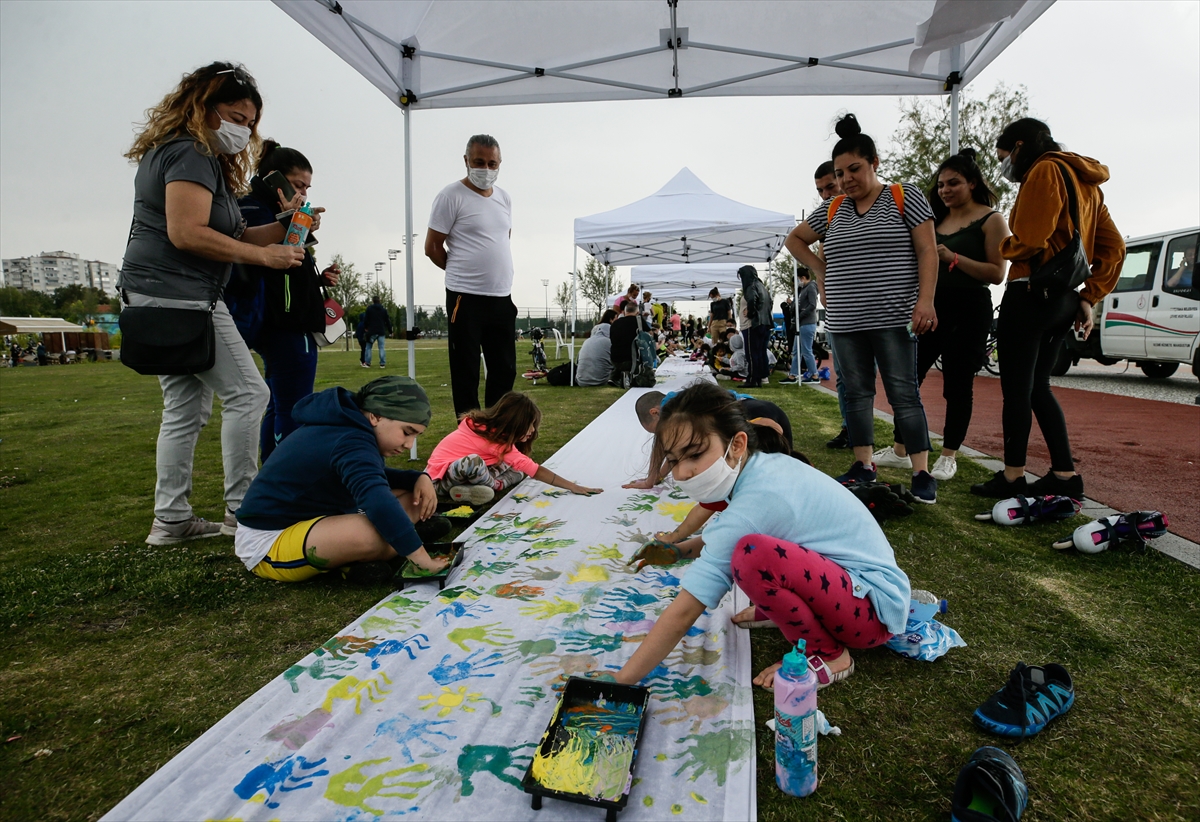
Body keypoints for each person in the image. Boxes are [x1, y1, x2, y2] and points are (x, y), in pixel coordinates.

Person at [607, 383, 910, 690]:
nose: (683, 472)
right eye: (673, 460)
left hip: (869, 614)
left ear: (737, 444)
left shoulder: (759, 497)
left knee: (753, 556)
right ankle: (786, 610)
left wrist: (621, 679)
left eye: (694, 454)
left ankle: (829, 655)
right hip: (858, 592)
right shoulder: (759, 469)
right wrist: (680, 551)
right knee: (751, 551)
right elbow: (725, 537)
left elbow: (686, 608)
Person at [118, 62, 305, 546]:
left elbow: (234, 231)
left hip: (161, 292)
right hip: (181, 294)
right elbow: (186, 233)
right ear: (203, 106)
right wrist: (263, 255)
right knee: (250, 394)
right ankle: (245, 511)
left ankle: (172, 520)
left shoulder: (193, 157)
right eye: (235, 115)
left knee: (184, 407)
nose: (242, 128)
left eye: (249, 121)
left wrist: (287, 227)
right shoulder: (190, 153)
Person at [785, 114, 940, 504]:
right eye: (839, 173)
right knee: (854, 393)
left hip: (893, 317)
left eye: (854, 169)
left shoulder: (905, 197)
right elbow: (795, 240)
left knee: (904, 393)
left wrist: (926, 300)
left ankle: (922, 471)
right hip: (844, 320)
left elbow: (927, 250)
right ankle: (863, 464)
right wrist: (820, 269)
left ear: (875, 162)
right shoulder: (833, 208)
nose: (845, 179)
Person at [971, 118, 1124, 499]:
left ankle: (1012, 476)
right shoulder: (1086, 184)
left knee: (1017, 391)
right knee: (1039, 387)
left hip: (1029, 294)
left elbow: (1031, 239)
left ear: (1021, 146)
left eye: (1004, 156)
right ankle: (1064, 473)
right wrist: (1090, 295)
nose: (1004, 166)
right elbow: (1115, 248)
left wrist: (1004, 248)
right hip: (1065, 298)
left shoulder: (1042, 172)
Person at [233, 376, 450, 582]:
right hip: (268, 541)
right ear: (376, 416)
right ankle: (389, 545)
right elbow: (377, 500)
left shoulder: (350, 427)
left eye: (415, 436)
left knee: (414, 497)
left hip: (315, 521)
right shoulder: (352, 440)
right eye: (406, 432)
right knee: (369, 535)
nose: (409, 445)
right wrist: (422, 560)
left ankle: (365, 558)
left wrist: (417, 478)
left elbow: (376, 478)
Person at [875, 150, 1009, 482]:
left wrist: (954, 257)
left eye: (954, 183)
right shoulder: (934, 218)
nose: (946, 190)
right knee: (910, 378)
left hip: (970, 309)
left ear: (972, 183)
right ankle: (900, 450)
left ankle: (949, 455)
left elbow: (997, 273)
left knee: (958, 384)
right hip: (932, 306)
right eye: (941, 184)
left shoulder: (992, 219)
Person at [227, 141, 341, 462]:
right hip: (284, 322)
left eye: (307, 187)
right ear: (272, 179)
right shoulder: (252, 209)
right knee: (294, 407)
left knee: (278, 404)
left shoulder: (277, 212)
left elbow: (287, 268)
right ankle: (287, 479)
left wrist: (318, 278)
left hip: (287, 317)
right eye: (296, 185)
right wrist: (289, 222)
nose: (303, 194)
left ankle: (272, 474)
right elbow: (257, 261)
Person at [425, 134, 517, 416]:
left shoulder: (504, 198)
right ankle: (468, 438)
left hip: (501, 297)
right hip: (465, 298)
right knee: (466, 371)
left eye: (492, 163)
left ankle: (497, 432)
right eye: (479, 162)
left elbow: (503, 239)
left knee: (504, 370)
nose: (486, 170)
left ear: (500, 164)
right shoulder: (450, 196)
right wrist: (461, 271)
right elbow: (432, 247)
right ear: (466, 161)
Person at [424, 392, 602, 505]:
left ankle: (469, 491)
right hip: (438, 480)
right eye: (530, 425)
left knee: (517, 469)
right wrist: (573, 487)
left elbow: (526, 466)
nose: (532, 431)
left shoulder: (495, 435)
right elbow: (536, 470)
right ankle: (495, 485)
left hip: (467, 477)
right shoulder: (490, 440)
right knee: (473, 462)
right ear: (515, 424)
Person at [546, 308, 616, 386]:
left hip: (581, 381)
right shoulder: (609, 342)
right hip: (601, 380)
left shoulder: (587, 341)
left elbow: (577, 362)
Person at [608, 299, 641, 375]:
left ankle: (617, 374)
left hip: (615, 358)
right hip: (631, 358)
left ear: (624, 311)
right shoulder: (638, 321)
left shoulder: (615, 323)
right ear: (637, 312)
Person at [362, 294, 392, 368]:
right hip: (381, 331)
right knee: (381, 347)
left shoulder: (369, 309)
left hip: (372, 330)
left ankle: (368, 363)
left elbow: (366, 319)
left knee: (368, 347)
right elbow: (387, 321)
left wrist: (365, 327)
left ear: (373, 301)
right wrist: (390, 331)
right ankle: (382, 363)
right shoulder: (384, 310)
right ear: (380, 301)